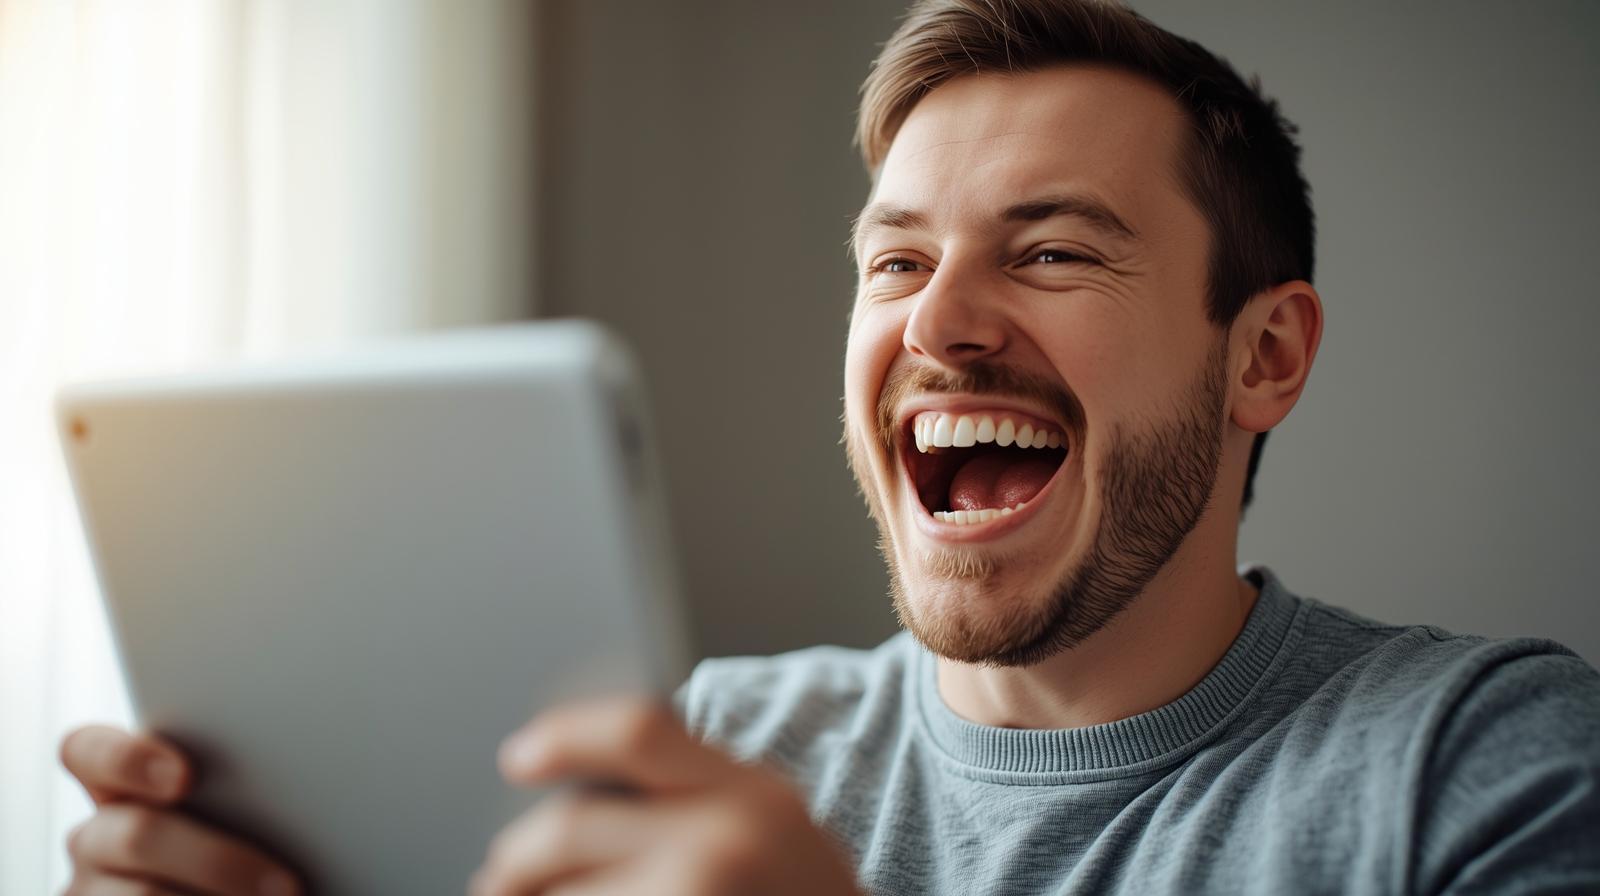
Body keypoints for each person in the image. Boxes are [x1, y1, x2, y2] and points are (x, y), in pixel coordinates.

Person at [58, 1, 1600, 894]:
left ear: (1263, 355)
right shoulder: (677, 754)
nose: (943, 325)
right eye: (895, 261)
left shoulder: (1486, 771)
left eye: (1052, 254)